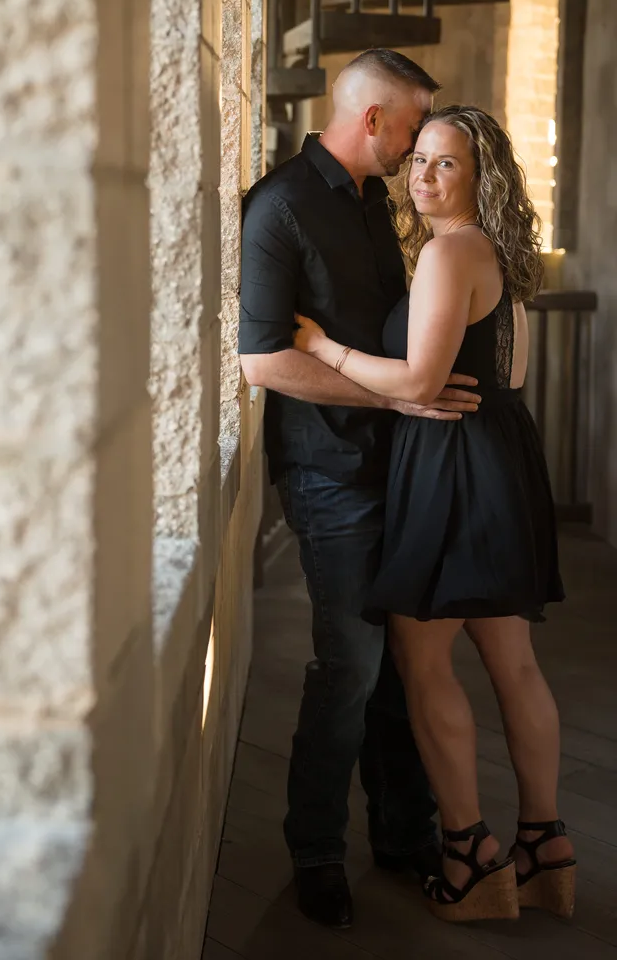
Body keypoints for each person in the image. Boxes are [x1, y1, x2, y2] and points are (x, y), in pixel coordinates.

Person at [294, 105, 575, 924]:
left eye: (446, 164)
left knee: (423, 665)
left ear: (481, 177)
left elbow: (418, 385)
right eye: (418, 160)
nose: (423, 177)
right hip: (498, 459)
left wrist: (322, 349)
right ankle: (545, 848)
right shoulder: (496, 253)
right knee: (513, 663)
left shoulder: (452, 251)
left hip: (455, 467)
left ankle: (469, 857)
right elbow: (500, 374)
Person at [238, 49, 482, 929]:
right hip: (329, 472)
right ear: (374, 119)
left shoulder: (376, 199)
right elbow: (266, 360)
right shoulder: (279, 207)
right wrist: (404, 398)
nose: (420, 146)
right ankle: (315, 851)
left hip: (403, 468)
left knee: (405, 667)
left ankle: (403, 831)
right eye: (415, 127)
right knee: (350, 667)